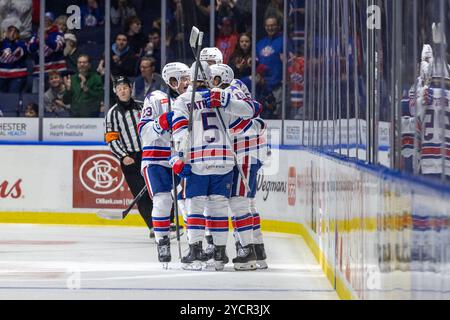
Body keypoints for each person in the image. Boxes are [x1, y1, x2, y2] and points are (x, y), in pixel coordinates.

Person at [169, 61, 259, 271]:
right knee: (218, 207)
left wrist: (178, 158)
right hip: (224, 161)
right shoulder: (221, 96)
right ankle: (219, 254)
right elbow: (253, 111)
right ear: (210, 78)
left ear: (189, 79)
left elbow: (180, 132)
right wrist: (227, 101)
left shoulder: (183, 100)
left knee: (195, 207)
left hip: (197, 161)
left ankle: (196, 252)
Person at [138, 62, 190, 266]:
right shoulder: (155, 98)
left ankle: (195, 245)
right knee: (162, 200)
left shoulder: (191, 99)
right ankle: (163, 241)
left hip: (182, 157)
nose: (187, 82)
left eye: (188, 78)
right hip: (156, 159)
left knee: (188, 203)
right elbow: (143, 131)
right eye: (182, 78)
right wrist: (162, 122)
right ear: (172, 81)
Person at [104, 76, 154, 237]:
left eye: (125, 87)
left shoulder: (142, 106)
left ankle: (168, 223)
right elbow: (111, 139)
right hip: (130, 159)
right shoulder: (112, 114)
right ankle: (154, 228)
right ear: (115, 92)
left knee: (159, 191)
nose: (123, 91)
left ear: (130, 88)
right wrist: (123, 156)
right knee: (142, 195)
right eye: (119, 89)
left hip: (150, 155)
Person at [256, 15, 284, 117]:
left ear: (278, 26)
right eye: (268, 25)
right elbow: (255, 62)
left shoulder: (284, 41)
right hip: (263, 87)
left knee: (278, 115)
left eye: (273, 25)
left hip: (278, 85)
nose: (270, 28)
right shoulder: (260, 43)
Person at [0, 18, 28, 93]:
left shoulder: (22, 44)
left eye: (15, 31)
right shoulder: (2, 42)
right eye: (10, 31)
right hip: (1, 75)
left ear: (18, 34)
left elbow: (17, 53)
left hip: (16, 75)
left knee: (12, 98)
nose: (12, 33)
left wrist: (12, 41)